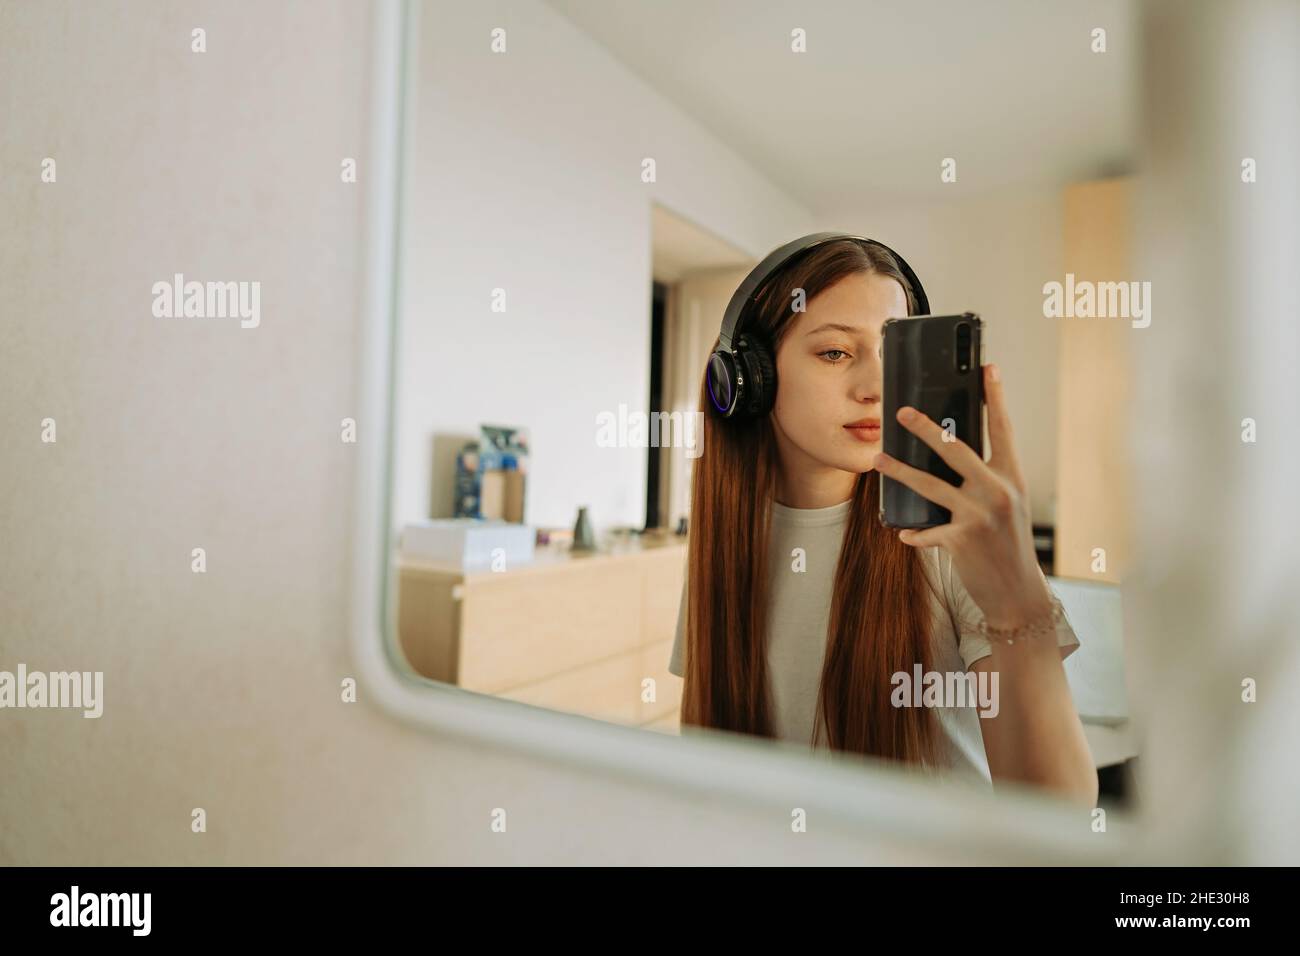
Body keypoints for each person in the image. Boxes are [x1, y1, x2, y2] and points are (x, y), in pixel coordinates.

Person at [667, 235, 1097, 806]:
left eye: (893, 354)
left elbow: (1058, 811)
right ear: (750, 379)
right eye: (835, 353)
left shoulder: (949, 539)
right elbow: (707, 779)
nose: (875, 388)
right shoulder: (723, 545)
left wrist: (1015, 593)